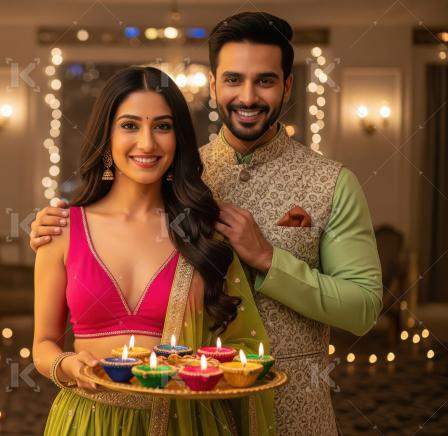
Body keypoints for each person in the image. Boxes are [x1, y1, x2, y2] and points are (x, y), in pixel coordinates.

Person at [30, 12, 383, 435]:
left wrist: (270, 260)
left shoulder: (331, 183)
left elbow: (363, 309)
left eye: (265, 81)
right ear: (213, 84)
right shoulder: (179, 172)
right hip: (187, 406)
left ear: (288, 86)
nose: (248, 96)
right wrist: (61, 225)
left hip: (296, 401)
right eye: (233, 80)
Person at [32, 66, 274, 435]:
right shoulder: (61, 230)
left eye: (162, 126)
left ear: (178, 139)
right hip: (87, 420)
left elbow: (239, 347)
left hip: (183, 422)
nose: (147, 143)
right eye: (130, 126)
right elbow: (43, 344)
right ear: (106, 136)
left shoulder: (204, 235)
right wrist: (68, 365)